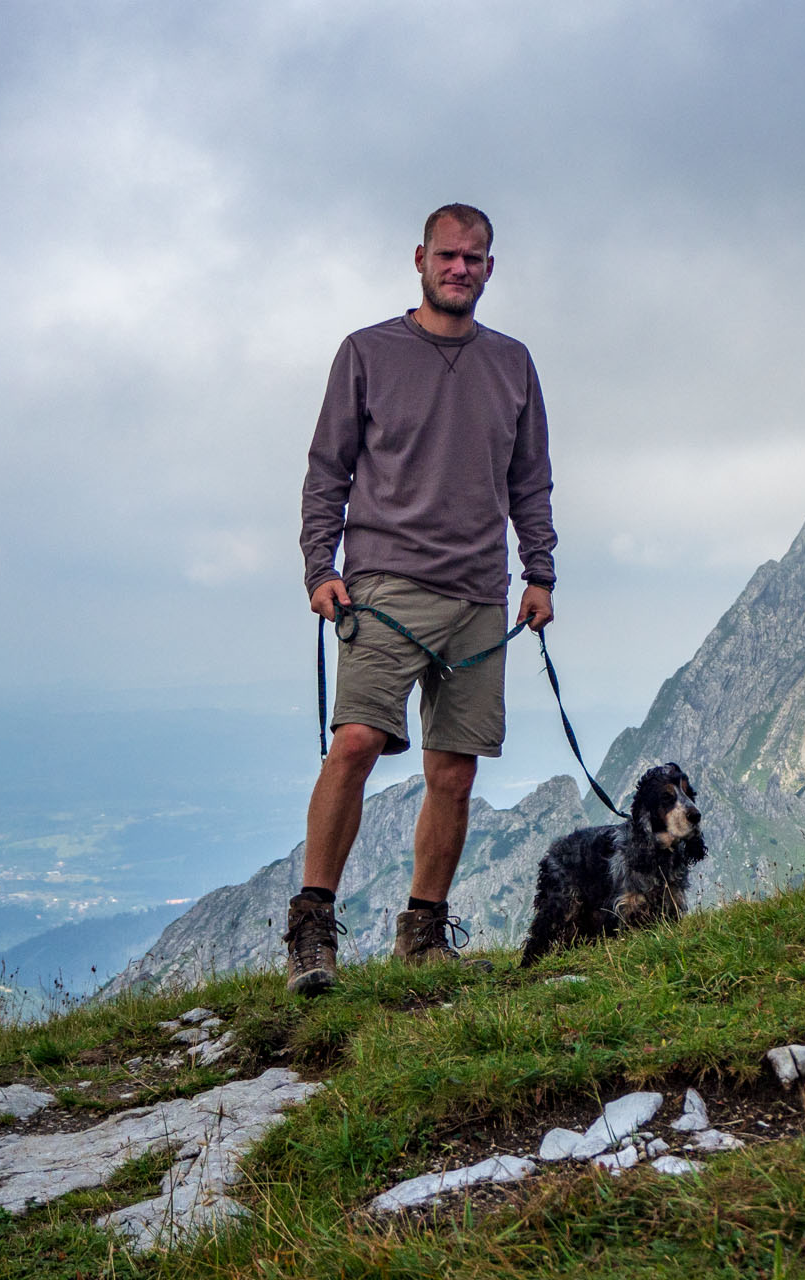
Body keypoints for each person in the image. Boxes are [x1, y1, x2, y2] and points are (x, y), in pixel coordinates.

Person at [286, 203, 556, 995]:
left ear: (489, 269)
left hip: (480, 592)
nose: (460, 269)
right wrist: (318, 568)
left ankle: (423, 935)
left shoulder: (513, 363)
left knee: (455, 774)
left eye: (474, 259)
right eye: (448, 256)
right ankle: (311, 931)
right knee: (357, 744)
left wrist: (539, 575)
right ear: (420, 259)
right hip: (384, 585)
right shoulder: (368, 352)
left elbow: (530, 480)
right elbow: (326, 469)